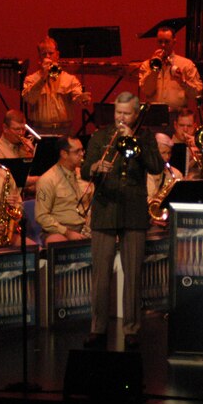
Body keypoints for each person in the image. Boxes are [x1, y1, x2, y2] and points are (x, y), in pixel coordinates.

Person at [81, 92, 163, 350]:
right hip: (105, 209)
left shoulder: (145, 137)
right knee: (101, 275)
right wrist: (95, 168)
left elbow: (156, 166)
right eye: (118, 112)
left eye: (126, 113)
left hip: (133, 211)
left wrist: (133, 143)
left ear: (135, 114)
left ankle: (132, 329)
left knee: (133, 274)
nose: (121, 118)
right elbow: (84, 169)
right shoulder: (100, 136)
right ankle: (97, 328)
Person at [21, 37, 93, 134]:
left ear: (57, 55)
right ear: (39, 57)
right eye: (44, 54)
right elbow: (30, 99)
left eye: (51, 53)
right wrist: (43, 78)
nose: (47, 56)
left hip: (64, 131)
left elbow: (77, 97)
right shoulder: (31, 79)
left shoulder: (69, 79)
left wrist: (81, 98)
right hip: (40, 131)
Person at [34, 136, 92, 244]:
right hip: (59, 231)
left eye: (82, 150)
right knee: (59, 242)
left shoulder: (84, 175)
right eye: (77, 151)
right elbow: (41, 216)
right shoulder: (47, 179)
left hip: (85, 228)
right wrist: (67, 232)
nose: (82, 154)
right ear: (64, 154)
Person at [138, 27, 203, 113]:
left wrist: (182, 82)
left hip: (178, 115)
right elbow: (147, 91)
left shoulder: (186, 64)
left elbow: (197, 94)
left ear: (174, 42)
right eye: (160, 42)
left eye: (167, 42)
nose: (163, 45)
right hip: (154, 114)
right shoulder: (146, 65)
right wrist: (154, 70)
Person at [170, 108, 203, 178]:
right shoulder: (169, 145)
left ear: (194, 126)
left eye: (189, 126)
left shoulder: (198, 144)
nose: (185, 129)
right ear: (175, 125)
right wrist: (189, 158)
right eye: (181, 125)